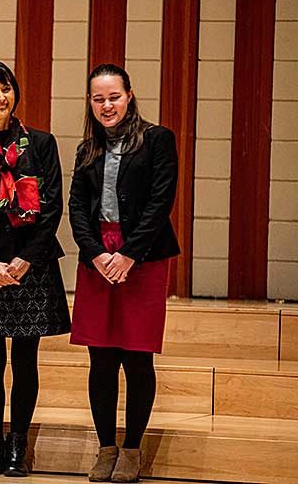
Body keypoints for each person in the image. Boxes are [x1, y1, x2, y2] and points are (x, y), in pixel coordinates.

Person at [0, 60, 70, 477]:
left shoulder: (41, 144)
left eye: (5, 88)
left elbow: (53, 206)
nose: (0, 97)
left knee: (25, 359)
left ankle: (18, 445)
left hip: (31, 264)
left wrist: (25, 260)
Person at [69, 63, 180, 483]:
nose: (107, 105)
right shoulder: (87, 149)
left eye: (114, 96)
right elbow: (77, 208)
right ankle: (106, 448)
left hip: (144, 258)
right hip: (98, 259)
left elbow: (160, 201)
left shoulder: (157, 139)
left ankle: (131, 449)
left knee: (136, 357)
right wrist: (96, 254)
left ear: (129, 95)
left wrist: (129, 255)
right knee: (101, 357)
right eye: (99, 99)